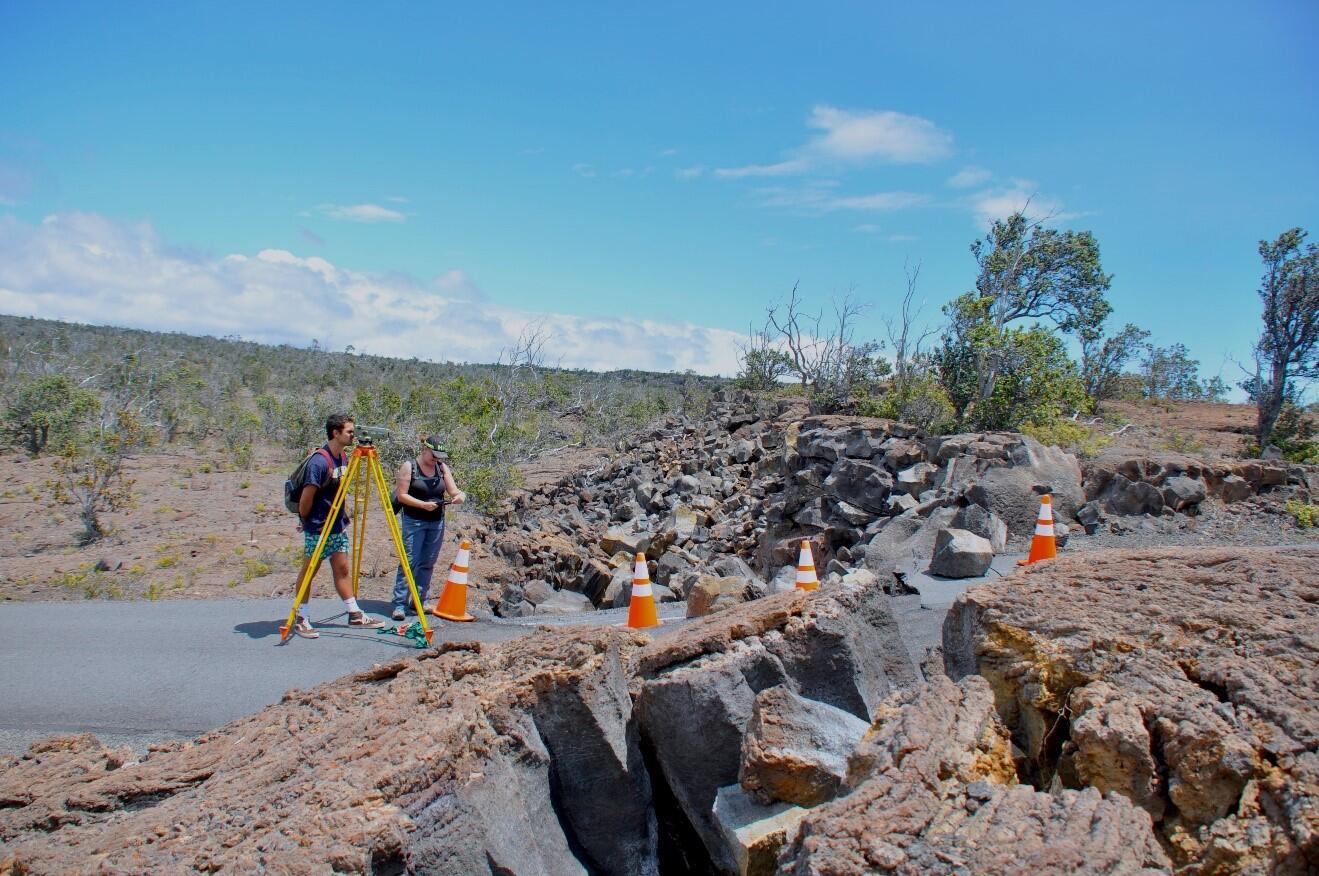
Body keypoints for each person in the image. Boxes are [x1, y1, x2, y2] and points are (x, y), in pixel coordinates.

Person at [290, 413, 387, 638]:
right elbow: (306, 499)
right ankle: (301, 617)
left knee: (342, 570)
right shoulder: (319, 461)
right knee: (309, 572)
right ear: (336, 433)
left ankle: (354, 614)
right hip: (318, 527)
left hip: (337, 525)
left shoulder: (343, 457)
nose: (354, 435)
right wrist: (306, 521)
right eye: (349, 432)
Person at [391, 435, 465, 620]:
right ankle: (399, 603)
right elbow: (401, 496)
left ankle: (419, 601)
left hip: (436, 521)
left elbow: (453, 489)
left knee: (427, 562)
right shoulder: (410, 467)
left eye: (439, 457)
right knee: (409, 561)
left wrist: (459, 496)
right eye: (433, 455)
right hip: (414, 521)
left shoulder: (441, 467)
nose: (436, 460)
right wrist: (422, 505)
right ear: (425, 450)